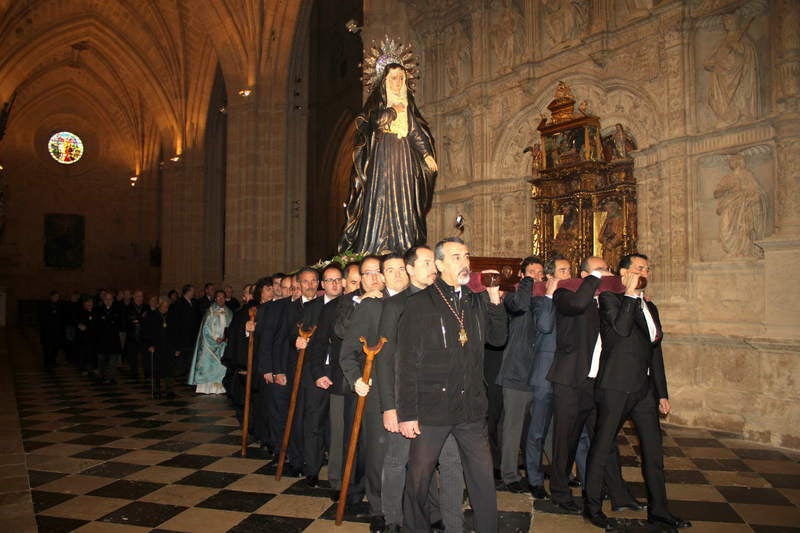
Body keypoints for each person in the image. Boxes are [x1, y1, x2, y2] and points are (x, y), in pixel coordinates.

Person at [397, 237, 507, 533]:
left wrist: (495, 299)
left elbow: (497, 339)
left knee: (483, 478)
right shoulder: (419, 304)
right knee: (419, 479)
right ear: (440, 264)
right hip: (432, 407)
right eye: (457, 257)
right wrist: (406, 413)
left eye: (467, 256)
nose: (465, 262)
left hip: (470, 407)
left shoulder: (474, 300)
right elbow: (406, 362)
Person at [584, 254, 691, 530]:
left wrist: (662, 393)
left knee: (654, 451)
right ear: (623, 272)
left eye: (647, 268)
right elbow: (619, 330)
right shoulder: (609, 299)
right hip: (615, 386)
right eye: (639, 268)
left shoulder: (650, 307)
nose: (645, 272)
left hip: (644, 390)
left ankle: (660, 510)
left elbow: (655, 353)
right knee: (602, 446)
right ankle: (592, 508)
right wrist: (630, 294)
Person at [377, 246, 464, 533]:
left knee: (449, 461)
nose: (433, 268)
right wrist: (390, 406)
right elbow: (386, 359)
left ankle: (447, 520)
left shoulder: (445, 300)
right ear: (410, 269)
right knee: (397, 460)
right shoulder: (396, 305)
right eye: (426, 263)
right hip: (406, 399)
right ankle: (392, 518)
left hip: (441, 401)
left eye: (433, 262)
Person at [547, 256, 635, 514]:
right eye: (600, 270)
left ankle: (618, 493)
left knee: (605, 440)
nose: (607, 273)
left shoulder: (607, 300)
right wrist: (596, 279)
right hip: (571, 380)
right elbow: (577, 304)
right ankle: (561, 493)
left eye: (607, 270)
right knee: (566, 441)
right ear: (584, 276)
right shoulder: (566, 292)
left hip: (600, 382)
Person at [339, 59, 438, 255]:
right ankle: (378, 245)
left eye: (401, 78)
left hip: (404, 162)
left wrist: (426, 154)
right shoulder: (376, 105)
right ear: (385, 81)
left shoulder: (408, 108)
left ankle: (404, 246)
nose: (398, 82)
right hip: (382, 162)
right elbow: (371, 123)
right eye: (393, 78)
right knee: (381, 200)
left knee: (405, 201)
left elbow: (415, 132)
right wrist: (392, 111)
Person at [340, 253, 407, 532]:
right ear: (381, 275)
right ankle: (378, 509)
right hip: (378, 392)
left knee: (414, 455)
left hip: (412, 391)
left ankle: (416, 506)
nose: (398, 275)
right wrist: (356, 379)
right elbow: (348, 352)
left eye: (402, 268)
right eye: (390, 270)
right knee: (379, 453)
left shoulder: (419, 303)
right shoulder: (372, 307)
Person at [525, 256, 589, 500]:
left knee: (578, 432)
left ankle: (586, 479)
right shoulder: (541, 299)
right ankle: (535, 479)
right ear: (550, 276)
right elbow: (544, 326)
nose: (568, 274)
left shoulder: (575, 300)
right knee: (538, 431)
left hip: (570, 373)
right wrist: (551, 296)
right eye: (563, 271)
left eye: (570, 270)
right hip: (545, 373)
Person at [496, 256, 551, 493]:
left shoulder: (547, 298)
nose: (536, 276)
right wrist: (528, 283)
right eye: (530, 272)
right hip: (516, 373)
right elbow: (520, 306)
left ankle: (548, 469)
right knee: (513, 428)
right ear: (521, 275)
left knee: (542, 428)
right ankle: (509, 475)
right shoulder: (512, 294)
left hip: (540, 374)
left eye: (539, 273)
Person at [306, 261, 361, 493]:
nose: (359, 285)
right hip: (341, 380)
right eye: (354, 281)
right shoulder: (333, 309)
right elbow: (318, 345)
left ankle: (361, 480)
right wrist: (318, 373)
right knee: (338, 433)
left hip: (369, 382)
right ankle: (338, 481)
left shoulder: (378, 304)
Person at [301, 264, 344, 487]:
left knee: (337, 424)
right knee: (314, 422)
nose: (334, 284)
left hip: (340, 372)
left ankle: (337, 470)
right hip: (315, 371)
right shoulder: (311, 307)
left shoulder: (351, 305)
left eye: (338, 279)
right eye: (329, 280)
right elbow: (298, 333)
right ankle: (312, 469)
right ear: (322, 285)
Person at [188, 290, 232, 394]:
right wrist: (215, 338)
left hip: (224, 344)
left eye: (222, 297)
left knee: (222, 366)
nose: (220, 299)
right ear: (215, 299)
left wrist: (227, 337)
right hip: (210, 344)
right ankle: (207, 388)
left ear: (225, 298)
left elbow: (231, 327)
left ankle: (221, 387)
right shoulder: (210, 312)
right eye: (218, 297)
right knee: (209, 366)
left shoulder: (229, 312)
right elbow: (206, 328)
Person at [143, 297, 176, 399]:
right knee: (156, 370)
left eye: (167, 307)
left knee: (169, 369)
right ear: (159, 306)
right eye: (164, 306)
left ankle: (169, 389)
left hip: (169, 347)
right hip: (156, 348)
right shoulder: (151, 316)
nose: (166, 309)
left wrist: (176, 348)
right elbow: (145, 332)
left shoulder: (171, 316)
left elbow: (176, 332)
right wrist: (149, 345)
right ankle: (157, 390)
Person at [95, 290, 123, 384]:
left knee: (113, 360)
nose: (108, 301)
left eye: (110, 299)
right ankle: (101, 376)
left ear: (113, 300)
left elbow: (120, 324)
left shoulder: (118, 310)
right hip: (101, 340)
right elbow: (97, 324)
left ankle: (111, 377)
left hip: (113, 339)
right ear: (103, 300)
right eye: (106, 299)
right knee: (101, 360)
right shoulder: (98, 310)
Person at [39, 290, 65, 367]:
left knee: (55, 347)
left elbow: (61, 318)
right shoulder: (45, 305)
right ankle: (46, 362)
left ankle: (53, 361)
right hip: (47, 331)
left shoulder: (59, 305)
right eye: (55, 296)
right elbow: (42, 318)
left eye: (58, 297)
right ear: (51, 296)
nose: (57, 298)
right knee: (47, 347)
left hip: (57, 331)